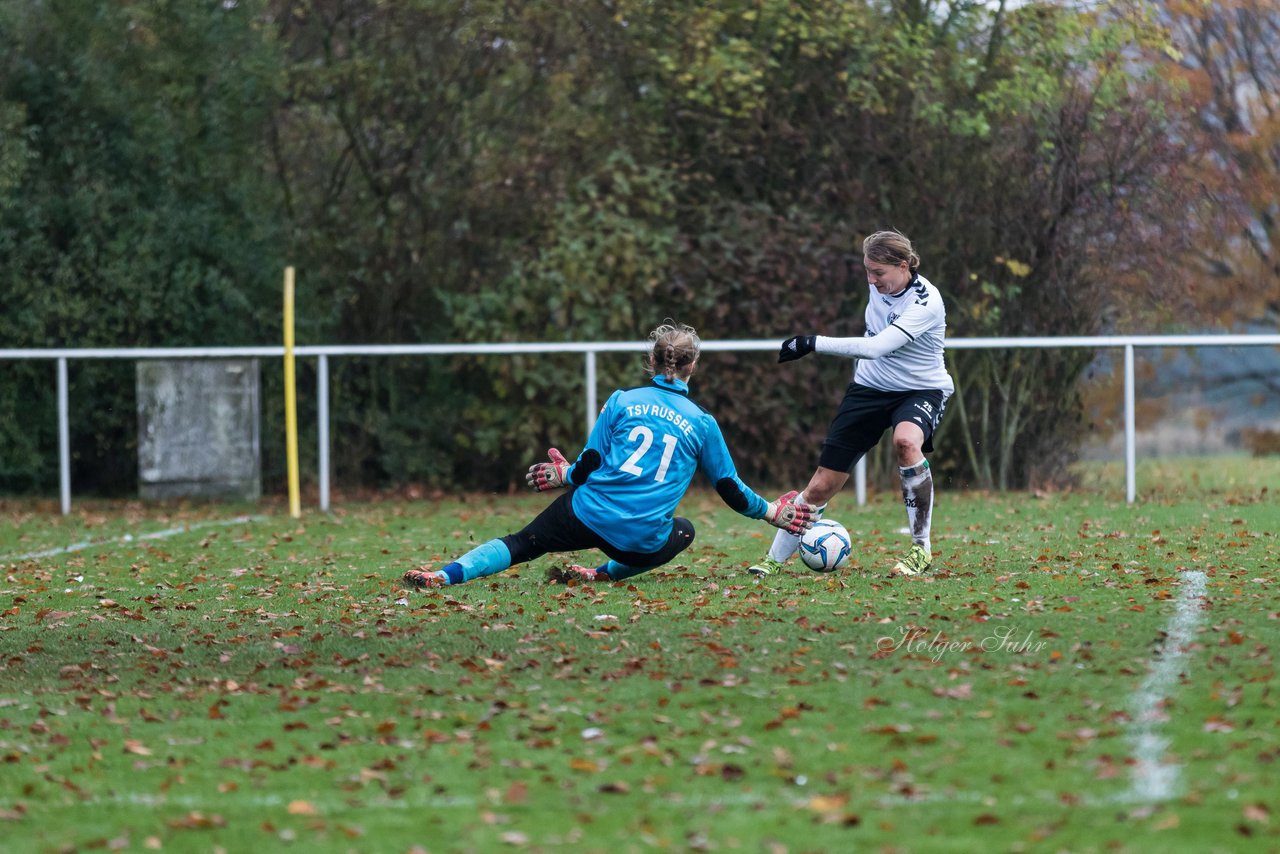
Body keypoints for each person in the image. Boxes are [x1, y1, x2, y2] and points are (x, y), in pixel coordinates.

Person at [403, 320, 816, 589]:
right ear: (693, 367)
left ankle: (443, 575)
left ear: (651, 361)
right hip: (639, 539)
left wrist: (565, 475)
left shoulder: (621, 401)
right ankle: (599, 574)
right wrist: (771, 513)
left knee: (520, 543)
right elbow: (728, 487)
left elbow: (590, 464)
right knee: (684, 530)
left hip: (586, 513)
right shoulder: (702, 422)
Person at [750, 229, 953, 578]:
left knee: (906, 442)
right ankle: (773, 560)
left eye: (878, 273)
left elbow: (875, 348)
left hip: (921, 389)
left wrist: (811, 342)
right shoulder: (880, 282)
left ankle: (921, 549)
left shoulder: (926, 302)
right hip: (869, 387)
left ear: (903, 266)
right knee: (821, 485)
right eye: (867, 272)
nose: (872, 281)